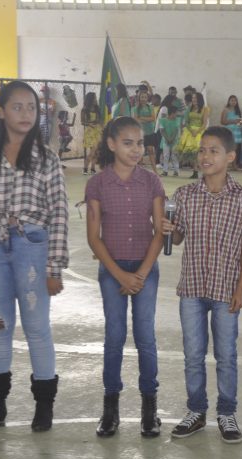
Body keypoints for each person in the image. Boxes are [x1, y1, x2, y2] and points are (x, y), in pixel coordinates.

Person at [0, 81, 68, 433]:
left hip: (32, 247)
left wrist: (54, 267)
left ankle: (44, 406)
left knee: (37, 327)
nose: (26, 114)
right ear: (0, 111)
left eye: (31, 108)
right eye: (18, 107)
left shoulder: (47, 159)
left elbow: (59, 213)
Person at [164, 126, 242, 444]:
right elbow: (177, 238)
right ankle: (196, 410)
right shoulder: (184, 195)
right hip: (192, 288)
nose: (205, 156)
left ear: (230, 156)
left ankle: (227, 412)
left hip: (225, 290)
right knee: (193, 354)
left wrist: (241, 288)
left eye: (213, 151)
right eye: (202, 150)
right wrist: (167, 228)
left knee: (226, 354)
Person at [85, 116, 165, 438]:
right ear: (111, 144)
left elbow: (160, 232)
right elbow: (94, 238)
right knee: (114, 336)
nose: (136, 150)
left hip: (146, 269)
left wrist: (140, 274)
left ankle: (150, 408)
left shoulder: (152, 182)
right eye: (128, 143)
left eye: (140, 143)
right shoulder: (97, 184)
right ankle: (110, 408)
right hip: (112, 270)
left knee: (146, 337)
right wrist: (120, 275)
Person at [177, 92, 209, 179]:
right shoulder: (189, 108)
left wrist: (197, 131)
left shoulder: (205, 109)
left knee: (198, 152)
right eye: (193, 98)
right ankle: (195, 171)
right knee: (192, 153)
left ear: (200, 99)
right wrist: (191, 131)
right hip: (189, 132)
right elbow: (186, 122)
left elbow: (204, 124)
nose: (193, 100)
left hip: (199, 132)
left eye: (195, 98)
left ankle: (202, 171)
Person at [132, 91, 157, 170]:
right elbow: (136, 120)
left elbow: (153, 118)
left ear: (147, 98)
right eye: (142, 97)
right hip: (140, 133)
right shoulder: (135, 108)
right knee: (140, 153)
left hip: (150, 132)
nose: (144, 99)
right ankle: (139, 171)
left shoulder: (150, 107)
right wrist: (147, 119)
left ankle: (155, 171)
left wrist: (141, 118)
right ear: (139, 98)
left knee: (151, 151)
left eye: (145, 97)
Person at [220, 95, 242, 170]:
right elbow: (222, 121)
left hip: (237, 132)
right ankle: (225, 165)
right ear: (229, 101)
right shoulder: (226, 110)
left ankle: (234, 165)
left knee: (234, 149)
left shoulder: (238, 111)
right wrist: (233, 121)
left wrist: (241, 122)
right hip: (229, 131)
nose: (233, 102)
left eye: (235, 100)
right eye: (232, 100)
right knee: (228, 149)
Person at [81, 91, 101, 175]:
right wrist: (89, 124)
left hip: (97, 131)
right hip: (90, 132)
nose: (96, 100)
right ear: (90, 99)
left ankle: (92, 168)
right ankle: (85, 168)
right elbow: (82, 122)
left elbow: (99, 120)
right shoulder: (84, 109)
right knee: (92, 152)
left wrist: (98, 123)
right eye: (94, 98)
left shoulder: (97, 108)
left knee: (97, 152)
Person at [159, 106, 181, 177]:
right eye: (176, 113)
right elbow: (162, 131)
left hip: (175, 140)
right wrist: (167, 139)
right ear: (172, 113)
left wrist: (171, 139)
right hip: (165, 140)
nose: (177, 115)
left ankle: (176, 171)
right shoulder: (162, 120)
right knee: (166, 155)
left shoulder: (177, 120)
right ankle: (165, 171)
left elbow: (176, 131)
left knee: (174, 155)